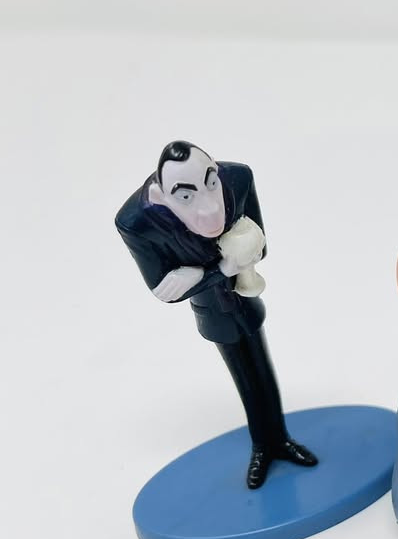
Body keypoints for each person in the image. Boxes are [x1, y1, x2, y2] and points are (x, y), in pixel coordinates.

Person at [115, 140, 317, 489]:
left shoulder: (238, 179)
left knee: (263, 370)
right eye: (187, 195)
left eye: (211, 182)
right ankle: (262, 445)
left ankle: (279, 439)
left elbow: (260, 246)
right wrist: (221, 269)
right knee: (244, 376)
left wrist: (205, 271)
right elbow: (163, 289)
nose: (209, 206)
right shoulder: (136, 221)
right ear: (161, 196)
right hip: (213, 311)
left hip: (246, 297)